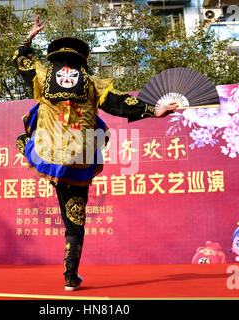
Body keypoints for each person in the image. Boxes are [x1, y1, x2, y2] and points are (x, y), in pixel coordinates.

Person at [13, 15, 178, 291]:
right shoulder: (92, 84)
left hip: (48, 156)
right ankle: (69, 277)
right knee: (74, 223)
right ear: (83, 60)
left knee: (23, 136)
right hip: (78, 164)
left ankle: (28, 149)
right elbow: (120, 104)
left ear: (55, 57)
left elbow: (22, 61)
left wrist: (29, 38)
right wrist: (153, 109)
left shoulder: (44, 75)